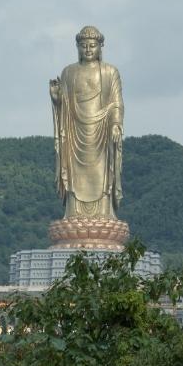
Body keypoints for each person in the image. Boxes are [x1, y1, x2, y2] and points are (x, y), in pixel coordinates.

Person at [50, 26, 124, 220]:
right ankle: (73, 213)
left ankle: (105, 212)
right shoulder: (69, 72)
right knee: (74, 174)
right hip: (75, 133)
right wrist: (57, 99)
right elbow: (64, 105)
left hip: (102, 132)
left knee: (103, 173)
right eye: (84, 46)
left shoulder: (110, 72)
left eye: (92, 45)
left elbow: (116, 103)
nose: (88, 50)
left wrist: (116, 124)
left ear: (100, 47)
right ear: (77, 47)